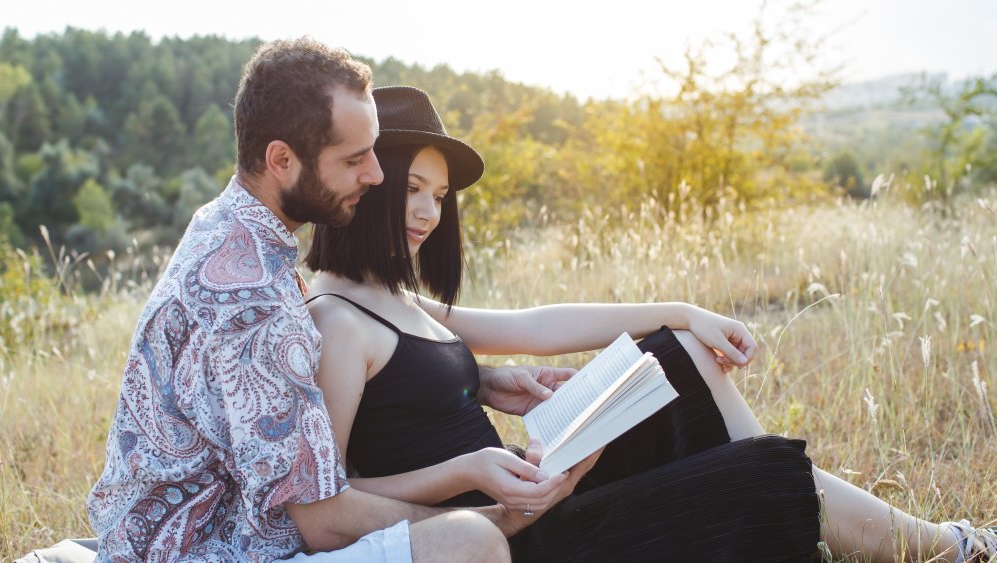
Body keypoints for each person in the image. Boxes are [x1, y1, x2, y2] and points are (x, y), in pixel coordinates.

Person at [303, 85, 997, 562]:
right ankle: (949, 545)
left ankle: (924, 533)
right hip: (509, 536)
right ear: (366, 184)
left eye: (440, 196)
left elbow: (535, 324)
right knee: (763, 473)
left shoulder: (394, 295)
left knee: (679, 353)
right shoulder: (337, 320)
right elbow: (329, 504)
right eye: (412, 191)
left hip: (536, 488)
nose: (428, 213)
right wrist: (468, 468)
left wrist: (676, 310)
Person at [83, 39, 582, 563]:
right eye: (354, 158)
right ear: (281, 159)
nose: (375, 174)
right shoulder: (255, 303)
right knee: (470, 542)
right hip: (209, 552)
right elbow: (323, 521)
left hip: (185, 533)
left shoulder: (226, 227)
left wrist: (477, 382)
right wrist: (501, 519)